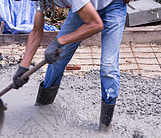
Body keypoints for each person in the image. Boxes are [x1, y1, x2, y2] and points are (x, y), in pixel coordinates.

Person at [12, 0, 129, 131]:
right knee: (57, 59)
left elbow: (95, 24)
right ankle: (42, 108)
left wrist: (59, 41)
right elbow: (37, 31)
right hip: (84, 7)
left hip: (113, 5)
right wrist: (23, 67)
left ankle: (104, 128)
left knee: (108, 68)